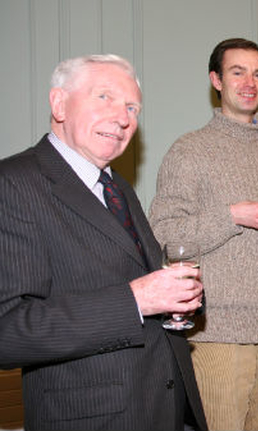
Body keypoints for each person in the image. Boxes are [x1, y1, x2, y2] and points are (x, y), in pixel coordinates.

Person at [0, 54, 207, 431]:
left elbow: (137, 276)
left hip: (164, 407)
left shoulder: (117, 187)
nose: (124, 117)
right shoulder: (13, 182)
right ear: (59, 103)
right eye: (104, 98)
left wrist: (178, 301)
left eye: (132, 107)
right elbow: (8, 331)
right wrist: (136, 300)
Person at [149, 38, 258, 431]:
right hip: (218, 331)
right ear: (216, 80)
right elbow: (164, 234)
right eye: (238, 72)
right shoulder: (188, 151)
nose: (250, 82)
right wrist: (234, 215)